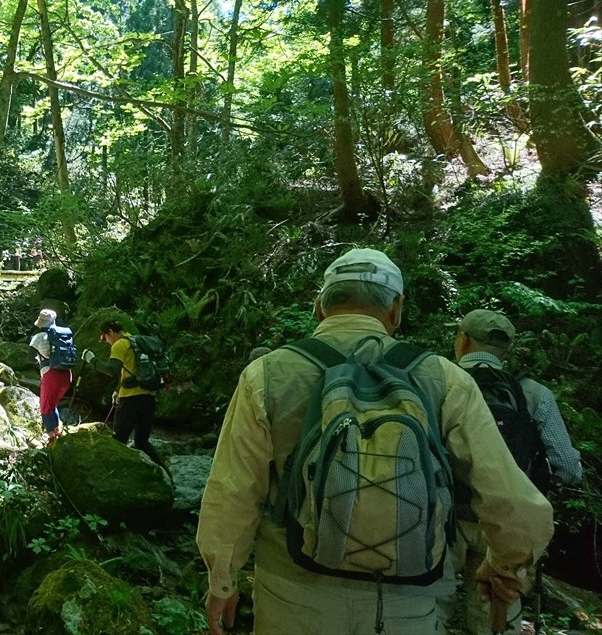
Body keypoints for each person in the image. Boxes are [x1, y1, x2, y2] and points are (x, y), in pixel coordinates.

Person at [196, 248, 553, 635]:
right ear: (397, 309)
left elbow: (233, 491)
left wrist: (223, 581)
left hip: (294, 593)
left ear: (319, 308)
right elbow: (513, 501)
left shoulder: (266, 375)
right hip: (408, 601)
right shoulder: (445, 380)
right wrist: (505, 566)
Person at [444, 308, 583, 635]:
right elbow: (566, 465)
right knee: (496, 614)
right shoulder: (534, 394)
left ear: (462, 340)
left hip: (444, 517)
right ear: (506, 353)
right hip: (507, 521)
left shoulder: (438, 384)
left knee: (428, 608)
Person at [81, 320, 163, 465]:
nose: (106, 342)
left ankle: (111, 475)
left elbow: (112, 370)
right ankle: (167, 477)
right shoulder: (135, 341)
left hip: (131, 401)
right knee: (142, 443)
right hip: (149, 398)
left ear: (110, 333)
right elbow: (132, 371)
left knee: (118, 441)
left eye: (105, 338)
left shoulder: (119, 344)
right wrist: (118, 390)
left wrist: (91, 359)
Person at [28, 309, 73, 444]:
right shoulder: (64, 335)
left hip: (51, 375)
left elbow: (30, 358)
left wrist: (40, 360)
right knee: (52, 405)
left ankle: (52, 438)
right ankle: (57, 433)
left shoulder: (38, 337)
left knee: (45, 407)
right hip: (66, 374)